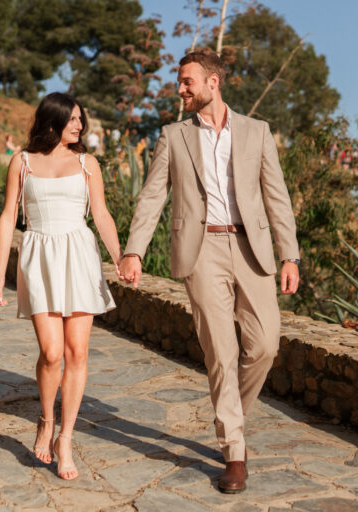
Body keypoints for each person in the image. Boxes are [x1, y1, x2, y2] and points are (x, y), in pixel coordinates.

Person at [119, 48, 300, 494]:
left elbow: (276, 196)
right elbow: (152, 197)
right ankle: (234, 451)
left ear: (212, 84)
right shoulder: (173, 136)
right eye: (180, 83)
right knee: (221, 352)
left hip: (251, 247)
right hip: (200, 252)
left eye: (187, 82)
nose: (180, 89)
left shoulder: (257, 132)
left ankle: (230, 416)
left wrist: (289, 255)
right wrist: (134, 250)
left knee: (264, 346)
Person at [0, 92, 123, 480]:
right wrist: (0, 274)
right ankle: (46, 421)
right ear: (53, 120)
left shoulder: (87, 163)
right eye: (73, 119)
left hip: (79, 255)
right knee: (51, 353)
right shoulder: (22, 161)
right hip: (39, 254)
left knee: (76, 352)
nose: (80, 126)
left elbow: (101, 214)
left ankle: (65, 438)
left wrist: (119, 256)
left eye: (82, 119)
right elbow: (7, 217)